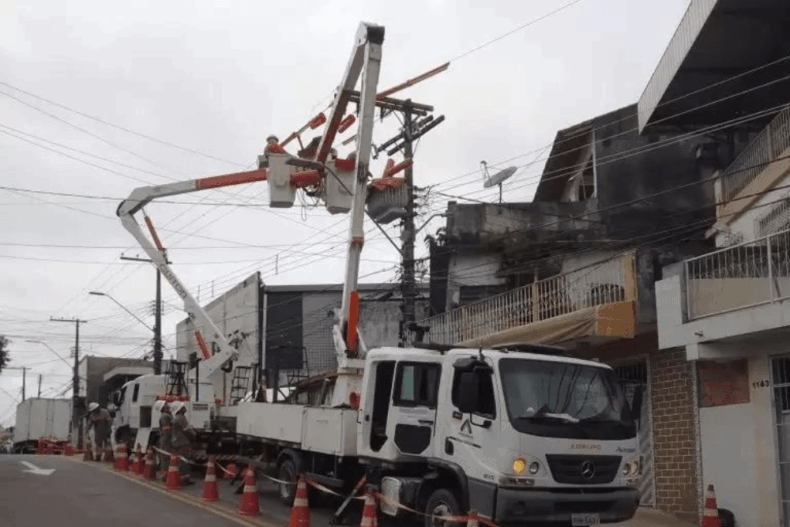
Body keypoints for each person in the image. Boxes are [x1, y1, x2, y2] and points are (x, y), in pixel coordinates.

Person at [170, 401, 195, 485]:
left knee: (181, 460)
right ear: (179, 409)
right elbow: (187, 430)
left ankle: (182, 477)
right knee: (185, 460)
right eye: (183, 407)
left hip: (177, 442)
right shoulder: (181, 418)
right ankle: (184, 479)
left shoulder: (177, 417)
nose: (185, 409)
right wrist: (194, 435)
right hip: (182, 442)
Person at [154, 400, 172, 479]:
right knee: (165, 457)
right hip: (166, 439)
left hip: (165, 438)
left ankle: (165, 473)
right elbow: (166, 429)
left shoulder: (166, 415)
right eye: (166, 405)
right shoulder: (165, 416)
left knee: (165, 457)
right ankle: (165, 474)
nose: (168, 406)